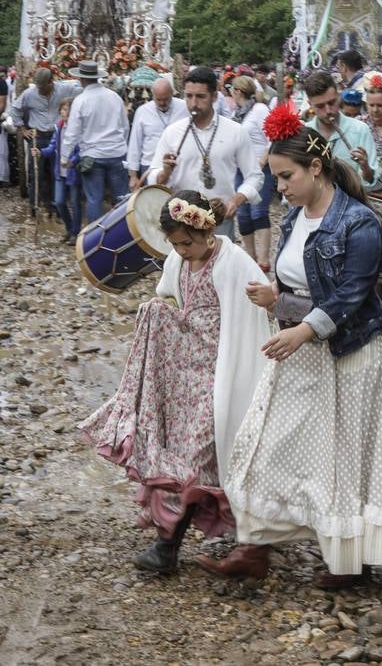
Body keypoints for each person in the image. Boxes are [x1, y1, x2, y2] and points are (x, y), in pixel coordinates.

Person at [197, 106, 382, 587]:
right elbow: (300, 283)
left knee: (348, 456)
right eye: (275, 178)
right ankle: (255, 546)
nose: (280, 187)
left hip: (355, 354)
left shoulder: (359, 222)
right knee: (265, 441)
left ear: (316, 168)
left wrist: (300, 329)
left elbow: (351, 294)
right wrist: (276, 297)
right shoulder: (295, 217)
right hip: (305, 354)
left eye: (286, 176)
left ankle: (351, 559)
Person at [79, 191, 271, 574]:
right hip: (184, 377)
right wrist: (160, 313)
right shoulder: (177, 262)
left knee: (197, 457)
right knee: (177, 453)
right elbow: (166, 298)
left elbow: (256, 316)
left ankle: (172, 547)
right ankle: (177, 546)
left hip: (220, 374)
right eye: (175, 244)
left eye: (187, 243)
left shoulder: (236, 263)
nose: (182, 251)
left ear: (206, 231)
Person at [148, 66, 264, 241]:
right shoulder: (172, 133)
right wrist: (165, 172)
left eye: (201, 96)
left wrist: (237, 199)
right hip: (181, 222)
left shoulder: (235, 131)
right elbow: (153, 176)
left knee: (221, 268)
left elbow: (255, 176)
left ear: (215, 96)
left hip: (219, 221)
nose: (193, 103)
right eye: (188, 96)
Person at [61, 60, 129, 223]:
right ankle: (123, 235)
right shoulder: (114, 97)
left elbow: (72, 132)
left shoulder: (81, 100)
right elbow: (125, 126)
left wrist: (65, 157)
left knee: (94, 199)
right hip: (116, 153)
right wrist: (122, 146)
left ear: (81, 79)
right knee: (121, 199)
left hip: (92, 156)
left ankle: (95, 239)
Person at [10, 66, 81, 216]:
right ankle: (34, 206)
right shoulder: (30, 93)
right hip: (38, 137)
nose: (40, 89)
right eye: (38, 86)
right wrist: (22, 129)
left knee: (57, 172)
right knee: (36, 173)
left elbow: (82, 91)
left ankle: (56, 207)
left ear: (51, 82)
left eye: (43, 86)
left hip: (57, 136)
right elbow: (15, 110)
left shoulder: (64, 89)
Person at [304, 70, 380, 190]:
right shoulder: (305, 133)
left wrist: (365, 168)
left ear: (338, 96)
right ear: (310, 104)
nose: (328, 110)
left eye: (331, 102)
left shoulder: (360, 130)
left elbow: (371, 182)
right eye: (320, 106)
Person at [231, 75, 273, 271]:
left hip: (259, 167)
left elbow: (272, 136)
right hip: (240, 169)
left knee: (259, 212)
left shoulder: (259, 110)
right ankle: (251, 258)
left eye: (232, 90)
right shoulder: (238, 113)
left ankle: (264, 260)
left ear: (238, 92)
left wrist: (263, 159)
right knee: (243, 214)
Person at [32, 99, 83, 245]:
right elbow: (53, 147)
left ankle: (75, 233)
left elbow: (82, 150)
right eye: (62, 109)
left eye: (67, 110)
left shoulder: (79, 129)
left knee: (74, 203)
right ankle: (69, 229)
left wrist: (72, 161)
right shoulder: (59, 127)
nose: (63, 112)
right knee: (59, 202)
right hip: (60, 171)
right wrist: (40, 152)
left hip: (73, 172)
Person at [126, 78, 188, 191]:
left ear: (172, 94)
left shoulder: (184, 107)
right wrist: (133, 176)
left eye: (166, 99)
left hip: (178, 165)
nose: (162, 103)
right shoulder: (142, 111)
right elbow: (135, 144)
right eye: (158, 99)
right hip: (149, 166)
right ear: (152, 95)